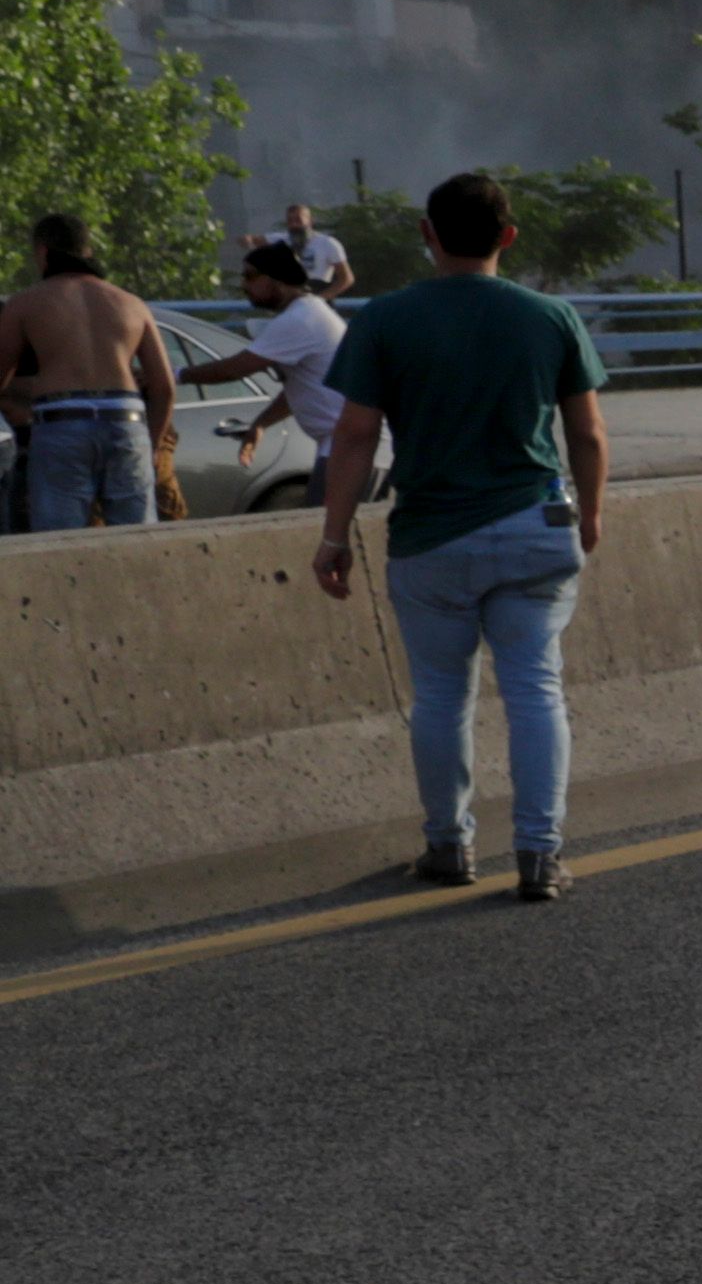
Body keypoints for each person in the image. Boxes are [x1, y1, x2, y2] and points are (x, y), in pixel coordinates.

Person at [317, 173, 605, 896]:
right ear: (509, 236)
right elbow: (587, 432)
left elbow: (355, 434)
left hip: (431, 538)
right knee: (536, 689)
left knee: (442, 695)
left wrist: (334, 534)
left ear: (427, 234)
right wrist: (593, 512)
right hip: (536, 528)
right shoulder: (551, 316)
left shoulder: (384, 319)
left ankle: (449, 846)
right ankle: (540, 856)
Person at [4, 216, 172, 529]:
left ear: (42, 251)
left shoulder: (25, 303)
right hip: (126, 420)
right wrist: (155, 444)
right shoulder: (132, 304)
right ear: (88, 251)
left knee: (60, 542)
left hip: (61, 422)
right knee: (136, 540)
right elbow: (164, 387)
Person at [189, 238, 360, 500]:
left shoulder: (300, 318)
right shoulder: (306, 311)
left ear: (276, 280)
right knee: (325, 530)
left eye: (251, 276)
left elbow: (235, 369)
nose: (245, 286)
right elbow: (302, 390)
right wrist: (261, 424)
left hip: (350, 445)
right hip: (345, 443)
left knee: (323, 530)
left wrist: (175, 374)